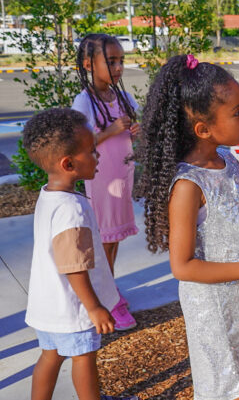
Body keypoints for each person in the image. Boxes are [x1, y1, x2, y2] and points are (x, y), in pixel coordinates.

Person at [134, 54, 239, 400]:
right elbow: (182, 266)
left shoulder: (229, 161)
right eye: (237, 112)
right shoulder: (188, 187)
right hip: (215, 308)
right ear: (203, 129)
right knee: (229, 387)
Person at [23, 108, 137, 400]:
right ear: (69, 163)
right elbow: (73, 266)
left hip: (49, 304)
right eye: (92, 150)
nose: (98, 155)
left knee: (50, 356)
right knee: (84, 358)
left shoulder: (49, 194)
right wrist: (94, 307)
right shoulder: (71, 210)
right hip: (74, 307)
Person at [72, 33, 139, 331]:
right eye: (110, 61)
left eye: (121, 61)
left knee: (113, 241)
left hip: (122, 176)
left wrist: (136, 130)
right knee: (105, 239)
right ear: (88, 64)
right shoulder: (84, 101)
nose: (118, 67)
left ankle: (108, 288)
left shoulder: (122, 97)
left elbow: (134, 129)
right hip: (101, 178)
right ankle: (107, 297)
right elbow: (80, 143)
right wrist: (112, 130)